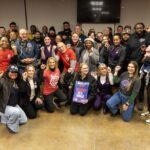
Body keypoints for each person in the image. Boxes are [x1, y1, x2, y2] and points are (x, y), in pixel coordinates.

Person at [0, 65, 27, 133]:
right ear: (8, 72)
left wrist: (24, 79)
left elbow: (23, 91)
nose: (14, 74)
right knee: (16, 112)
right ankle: (10, 125)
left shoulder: (17, 81)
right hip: (4, 106)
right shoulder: (3, 80)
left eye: (15, 72)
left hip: (14, 105)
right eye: (12, 72)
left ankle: (5, 119)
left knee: (24, 120)